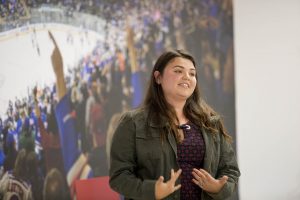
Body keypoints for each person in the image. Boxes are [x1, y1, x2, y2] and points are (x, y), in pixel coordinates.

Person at [109, 49, 240, 200]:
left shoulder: (211, 123)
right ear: (158, 77)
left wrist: (219, 188)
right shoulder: (132, 123)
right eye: (178, 71)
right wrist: (152, 191)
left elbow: (231, 170)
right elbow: (118, 177)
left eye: (192, 73)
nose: (187, 77)